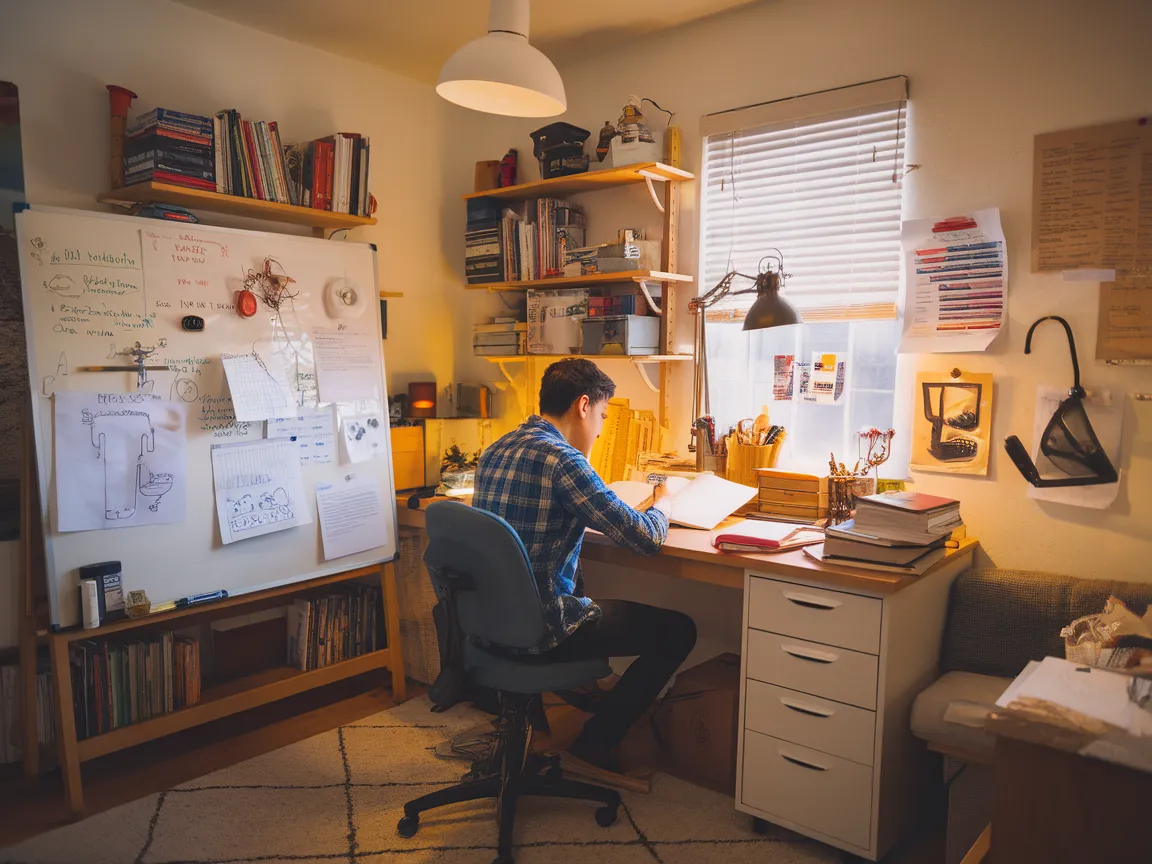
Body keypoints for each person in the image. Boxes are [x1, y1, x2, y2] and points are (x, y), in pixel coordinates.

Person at [472, 358, 697, 782]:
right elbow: (645, 538)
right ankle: (595, 745)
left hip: (491, 623)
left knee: (574, 581)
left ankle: (537, 723)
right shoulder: (564, 461)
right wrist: (665, 500)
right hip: (540, 629)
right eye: (602, 416)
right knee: (679, 630)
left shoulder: (496, 449)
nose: (599, 428)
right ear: (583, 406)